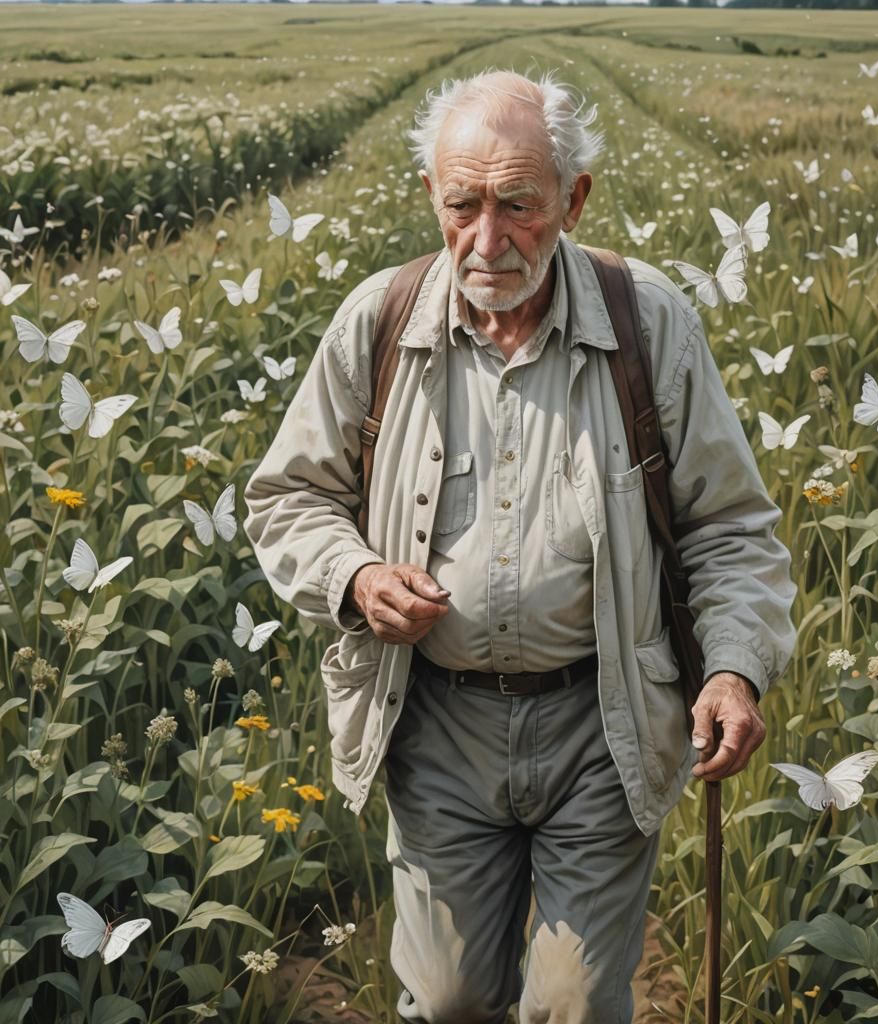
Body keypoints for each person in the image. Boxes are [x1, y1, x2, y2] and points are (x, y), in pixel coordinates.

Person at [243, 69, 797, 1024]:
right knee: (451, 999)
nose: (487, 240)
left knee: (573, 1005)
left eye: (519, 206)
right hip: (438, 726)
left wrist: (734, 670)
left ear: (574, 199)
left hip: (602, 722)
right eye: (463, 204)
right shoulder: (379, 323)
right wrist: (356, 573)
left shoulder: (645, 322)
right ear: (432, 196)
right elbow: (289, 496)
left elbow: (731, 525)